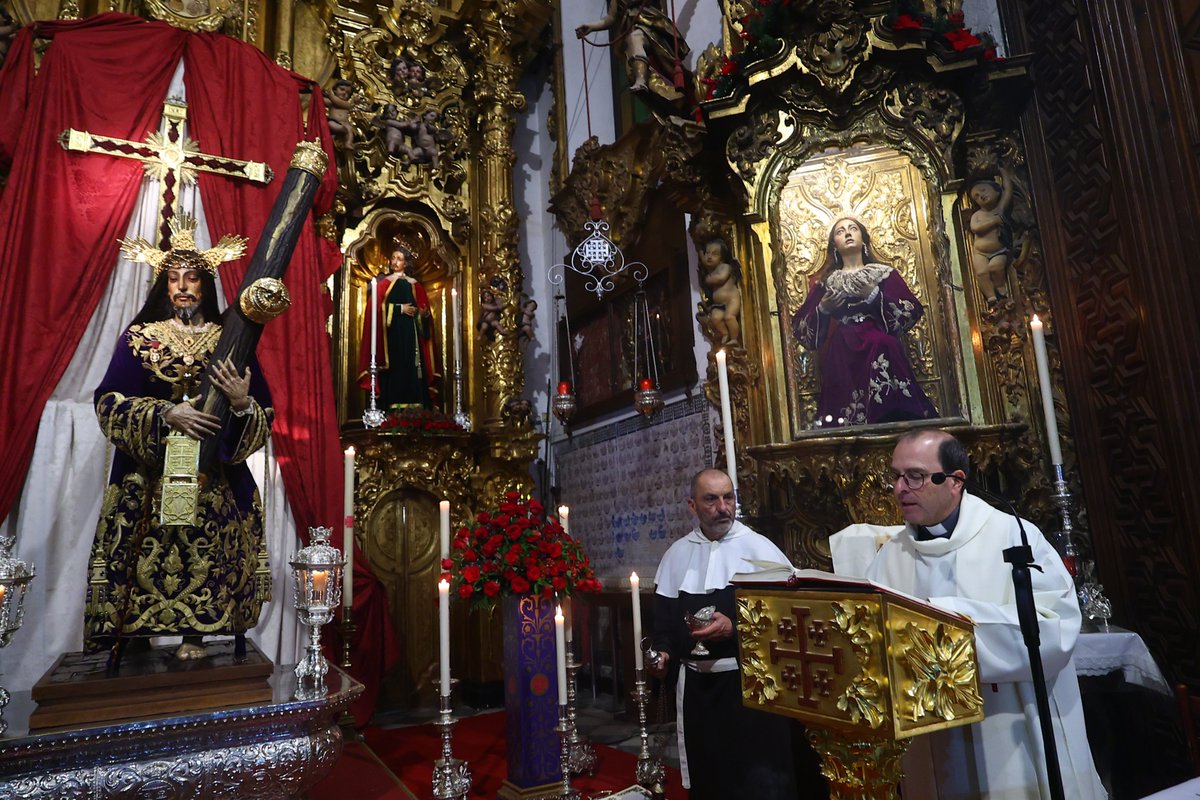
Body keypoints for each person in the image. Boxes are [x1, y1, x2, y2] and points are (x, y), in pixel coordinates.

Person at [830, 429, 1105, 800]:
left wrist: (949, 623)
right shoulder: (890, 556)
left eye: (915, 476)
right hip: (931, 742)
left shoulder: (1014, 536)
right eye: (894, 476)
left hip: (1009, 732)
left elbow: (1057, 630)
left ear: (956, 481)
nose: (899, 489)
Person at [84, 219, 273, 662]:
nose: (182, 287)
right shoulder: (141, 339)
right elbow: (109, 401)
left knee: (207, 545)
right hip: (149, 473)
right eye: (173, 278)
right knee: (142, 545)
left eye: (191, 278)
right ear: (163, 285)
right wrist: (166, 413)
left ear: (206, 285)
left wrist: (242, 403)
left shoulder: (230, 342)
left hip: (212, 476)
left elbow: (264, 411)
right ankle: (134, 634)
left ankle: (197, 632)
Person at [650, 469, 800, 799]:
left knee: (756, 780)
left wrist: (735, 628)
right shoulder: (676, 555)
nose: (723, 507)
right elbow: (664, 629)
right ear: (692, 505)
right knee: (710, 781)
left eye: (728, 497)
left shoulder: (760, 549)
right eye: (711, 499)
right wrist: (661, 655)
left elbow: (785, 623)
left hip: (751, 688)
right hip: (697, 694)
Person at [791, 216, 937, 427]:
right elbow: (801, 327)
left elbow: (911, 309)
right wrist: (823, 309)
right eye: (840, 232)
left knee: (883, 348)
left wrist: (875, 296)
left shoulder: (883, 273)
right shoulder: (827, 282)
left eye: (853, 229)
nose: (848, 233)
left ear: (863, 239)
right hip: (843, 348)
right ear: (834, 245)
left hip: (878, 343)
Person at [357, 241, 438, 410]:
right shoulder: (384, 284)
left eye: (399, 258)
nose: (395, 262)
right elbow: (375, 310)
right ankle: (390, 406)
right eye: (393, 258)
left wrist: (423, 316)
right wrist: (400, 308)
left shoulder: (414, 284)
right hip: (392, 338)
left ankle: (416, 408)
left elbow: (423, 313)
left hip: (411, 336)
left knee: (412, 367)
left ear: (406, 262)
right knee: (395, 368)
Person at [575, 0, 690, 98]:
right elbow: (611, 17)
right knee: (631, 68)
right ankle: (643, 83)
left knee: (636, 39)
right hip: (631, 28)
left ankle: (641, 80)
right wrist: (591, 27)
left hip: (651, 23)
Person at [968, 170, 1016, 304]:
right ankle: (991, 296)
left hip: (999, 251)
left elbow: (1008, 191)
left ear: (997, 192)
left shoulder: (999, 210)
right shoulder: (977, 215)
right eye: (976, 197)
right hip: (980, 253)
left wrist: (1003, 172)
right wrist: (994, 221)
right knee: (981, 273)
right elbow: (976, 228)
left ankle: (999, 285)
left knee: (995, 267)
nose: (980, 196)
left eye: (983, 191)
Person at [697, 236, 742, 345]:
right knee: (715, 318)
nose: (709, 256)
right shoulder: (711, 270)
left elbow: (720, 278)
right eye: (707, 253)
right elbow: (706, 265)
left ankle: (734, 339)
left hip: (732, 300)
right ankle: (725, 333)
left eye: (714, 254)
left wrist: (709, 278)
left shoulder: (725, 267)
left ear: (722, 257)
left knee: (729, 317)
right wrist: (701, 254)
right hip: (719, 304)